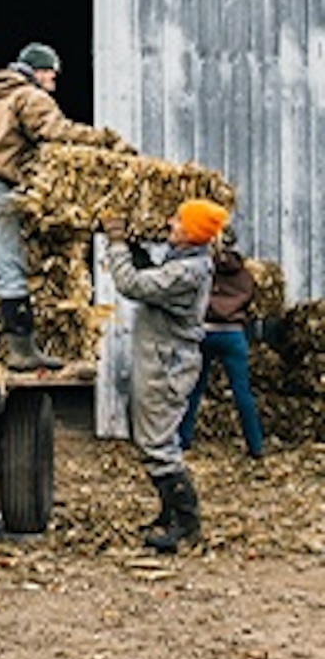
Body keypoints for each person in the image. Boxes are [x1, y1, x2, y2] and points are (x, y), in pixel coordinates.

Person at [0, 42, 128, 370]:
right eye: (51, 73)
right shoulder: (29, 96)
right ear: (38, 71)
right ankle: (21, 351)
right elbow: (53, 130)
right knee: (9, 269)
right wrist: (101, 138)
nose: (54, 80)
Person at [100, 198, 230, 554]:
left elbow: (132, 284)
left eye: (178, 221)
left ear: (192, 233)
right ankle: (170, 514)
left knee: (157, 443)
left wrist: (116, 244)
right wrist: (135, 249)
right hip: (162, 360)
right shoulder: (183, 262)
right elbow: (149, 278)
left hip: (166, 365)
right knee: (151, 439)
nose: (171, 223)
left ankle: (186, 526)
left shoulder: (187, 272)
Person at [178, 230, 265, 459]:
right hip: (233, 335)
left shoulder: (204, 268)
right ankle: (255, 445)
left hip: (205, 332)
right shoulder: (245, 275)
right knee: (242, 391)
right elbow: (252, 303)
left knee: (194, 388)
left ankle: (183, 440)